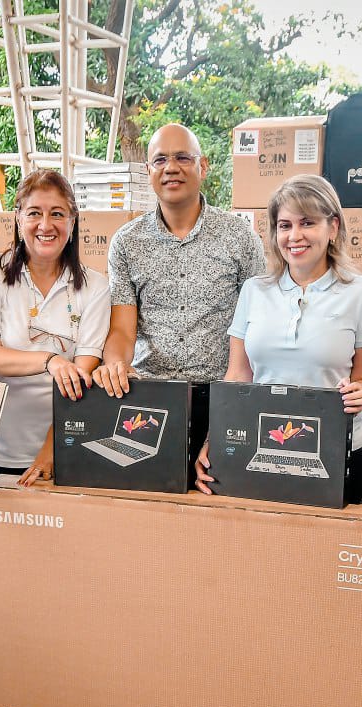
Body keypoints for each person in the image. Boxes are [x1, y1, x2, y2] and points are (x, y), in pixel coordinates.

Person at [194, 175, 362, 503]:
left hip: (337, 451)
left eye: (307, 223)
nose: (294, 236)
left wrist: (361, 393)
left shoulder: (361, 292)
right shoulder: (255, 291)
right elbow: (239, 376)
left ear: (333, 227)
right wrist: (216, 437)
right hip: (262, 446)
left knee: (325, 549)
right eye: (284, 225)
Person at [92, 123, 266, 459]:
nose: (171, 168)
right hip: (148, 399)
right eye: (160, 160)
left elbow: (259, 323)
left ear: (202, 167)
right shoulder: (127, 243)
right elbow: (122, 331)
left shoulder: (239, 237)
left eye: (183, 158)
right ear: (148, 172)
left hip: (222, 399)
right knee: (154, 507)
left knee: (215, 503)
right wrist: (115, 363)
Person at [0, 170, 110, 486]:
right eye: (34, 213)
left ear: (72, 222)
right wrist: (51, 360)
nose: (46, 225)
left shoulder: (95, 287)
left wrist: (51, 448)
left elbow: (80, 380)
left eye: (57, 214)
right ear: (18, 219)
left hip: (67, 449)